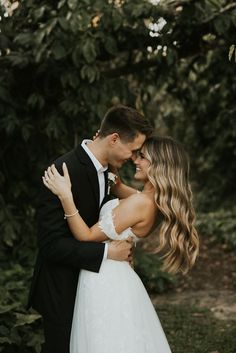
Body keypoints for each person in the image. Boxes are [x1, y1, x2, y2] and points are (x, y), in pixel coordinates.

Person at [43, 135, 199, 353]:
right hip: (117, 274)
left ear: (159, 166)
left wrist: (65, 197)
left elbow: (86, 236)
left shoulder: (139, 203)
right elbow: (118, 188)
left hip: (105, 278)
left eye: (142, 157)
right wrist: (103, 144)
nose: (135, 160)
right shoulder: (150, 200)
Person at [27, 105, 153, 353]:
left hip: (96, 289)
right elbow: (51, 245)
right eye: (133, 150)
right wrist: (108, 253)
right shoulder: (63, 171)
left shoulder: (110, 172)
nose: (133, 157)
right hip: (63, 288)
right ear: (114, 139)